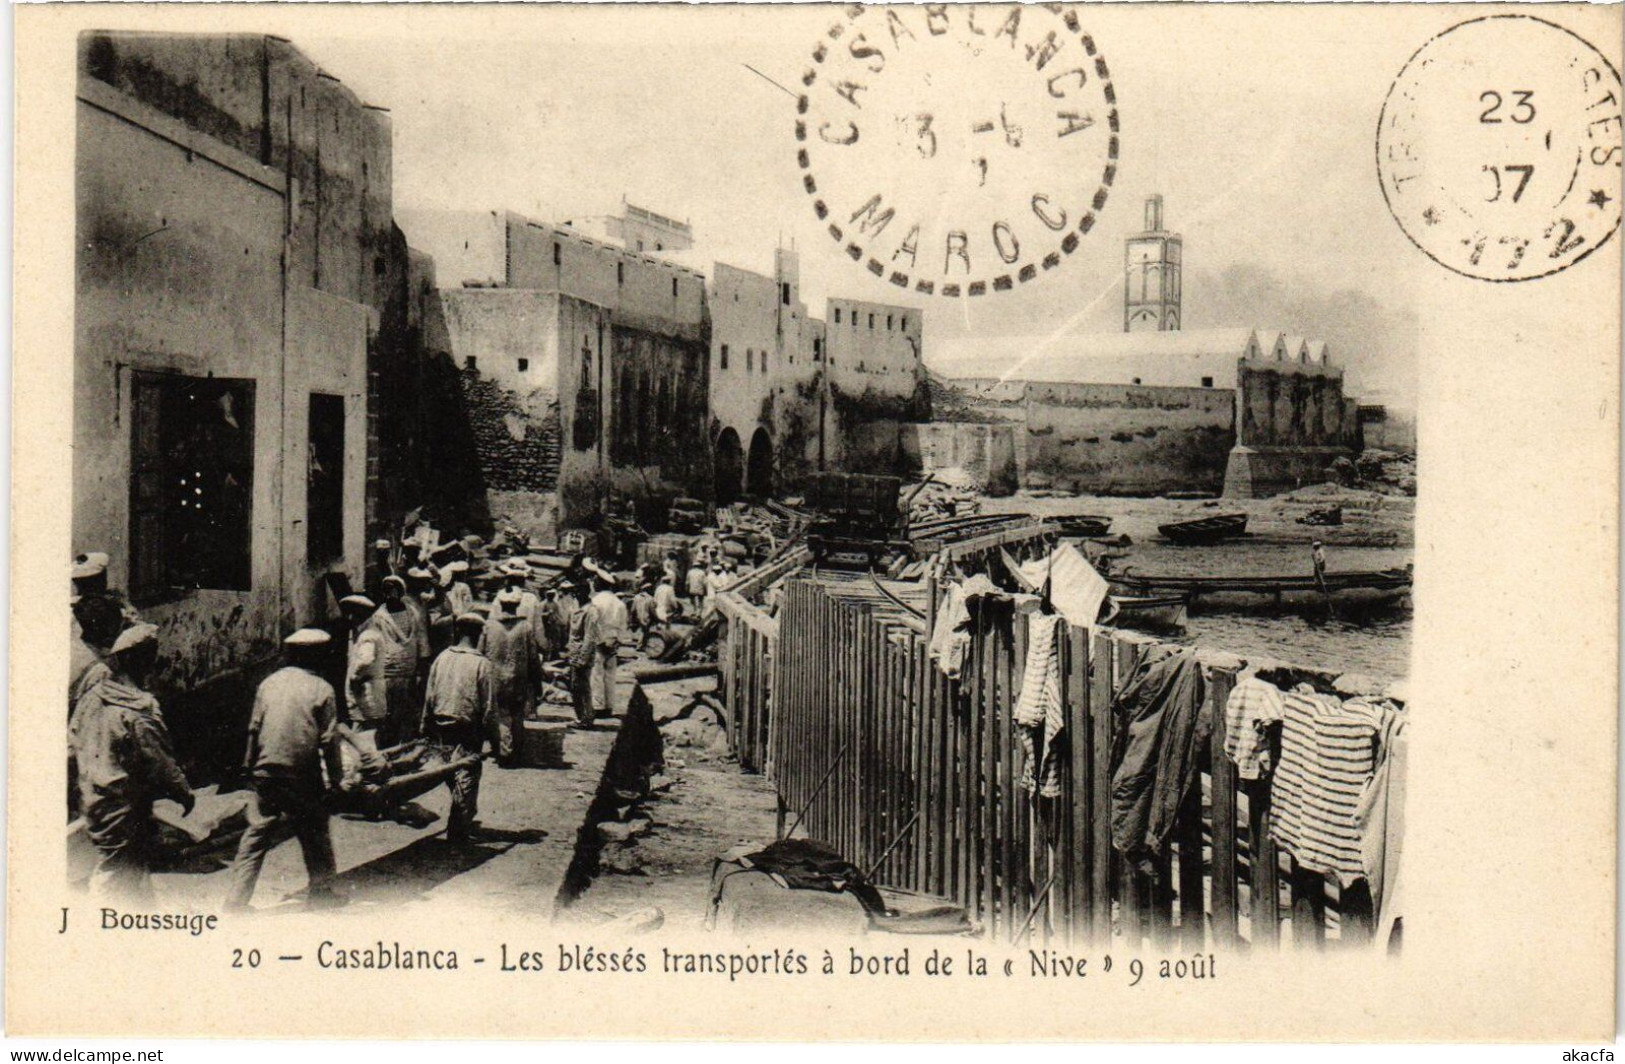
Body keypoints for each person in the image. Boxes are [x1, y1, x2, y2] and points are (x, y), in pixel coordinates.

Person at [223, 629, 345, 912]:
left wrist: (247, 767)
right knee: (315, 832)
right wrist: (336, 781)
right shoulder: (322, 688)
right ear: (315, 655)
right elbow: (329, 740)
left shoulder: (269, 683)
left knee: (257, 833)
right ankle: (322, 892)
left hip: (266, 769)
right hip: (301, 773)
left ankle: (235, 901)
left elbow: (253, 729)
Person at [70, 624, 194, 901]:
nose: (151, 664)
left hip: (93, 797)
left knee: (134, 872)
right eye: (148, 657)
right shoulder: (140, 707)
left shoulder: (91, 698)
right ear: (134, 661)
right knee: (115, 874)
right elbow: (160, 760)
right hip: (125, 806)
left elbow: (73, 739)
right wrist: (182, 792)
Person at [424, 613, 496, 843]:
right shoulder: (481, 663)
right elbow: (489, 706)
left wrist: (425, 723)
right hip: (467, 726)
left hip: (441, 723)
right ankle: (458, 827)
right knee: (467, 774)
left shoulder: (442, 658)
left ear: (457, 633)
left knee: (449, 771)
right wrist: (494, 737)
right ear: (479, 636)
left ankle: (462, 815)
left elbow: (429, 694)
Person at [480, 588, 541, 766]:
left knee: (500, 714)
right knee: (517, 713)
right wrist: (536, 681)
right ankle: (514, 750)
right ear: (518, 605)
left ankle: (505, 750)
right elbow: (533, 657)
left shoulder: (488, 626)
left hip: (495, 678)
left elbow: (480, 652)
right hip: (518, 678)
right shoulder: (526, 627)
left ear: (500, 604)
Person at [369, 575, 422, 746]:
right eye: (386, 591)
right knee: (389, 711)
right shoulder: (379, 617)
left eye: (393, 590)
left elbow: (420, 638)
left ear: (401, 592)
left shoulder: (412, 612)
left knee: (407, 710)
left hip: (409, 669)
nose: (389, 595)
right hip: (389, 671)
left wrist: (421, 664)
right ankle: (388, 746)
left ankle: (406, 744)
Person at [340, 595, 387, 731]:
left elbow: (366, 660)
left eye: (353, 613)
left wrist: (355, 677)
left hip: (366, 693)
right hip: (364, 693)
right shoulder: (359, 632)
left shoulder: (368, 635)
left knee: (364, 731)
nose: (349, 617)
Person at [563, 581, 601, 729]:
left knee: (582, 687)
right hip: (574, 652)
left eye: (579, 592)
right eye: (575, 593)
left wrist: (582, 659)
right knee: (575, 686)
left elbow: (590, 637)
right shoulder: (576, 607)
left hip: (582, 655)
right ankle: (582, 717)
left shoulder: (591, 611)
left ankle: (586, 719)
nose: (576, 595)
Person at [589, 577, 628, 719]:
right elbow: (623, 625)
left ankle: (598, 706)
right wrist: (619, 641)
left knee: (597, 675)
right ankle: (609, 706)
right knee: (610, 675)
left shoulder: (595, 601)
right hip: (613, 640)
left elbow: (594, 623)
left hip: (599, 641)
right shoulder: (619, 603)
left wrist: (599, 641)